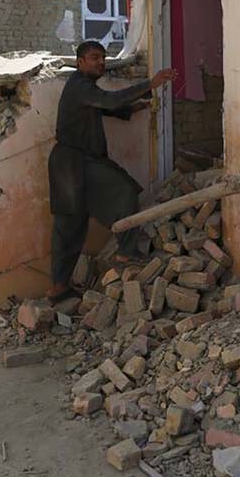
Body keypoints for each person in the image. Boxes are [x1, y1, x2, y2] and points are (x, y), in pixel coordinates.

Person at [47, 41, 176, 300]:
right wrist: (150, 84)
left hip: (74, 164)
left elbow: (105, 108)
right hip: (73, 163)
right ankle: (125, 253)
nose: (101, 62)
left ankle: (60, 286)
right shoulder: (79, 86)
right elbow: (108, 101)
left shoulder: (85, 89)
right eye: (95, 58)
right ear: (80, 62)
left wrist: (133, 109)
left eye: (103, 58)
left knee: (73, 225)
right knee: (119, 194)